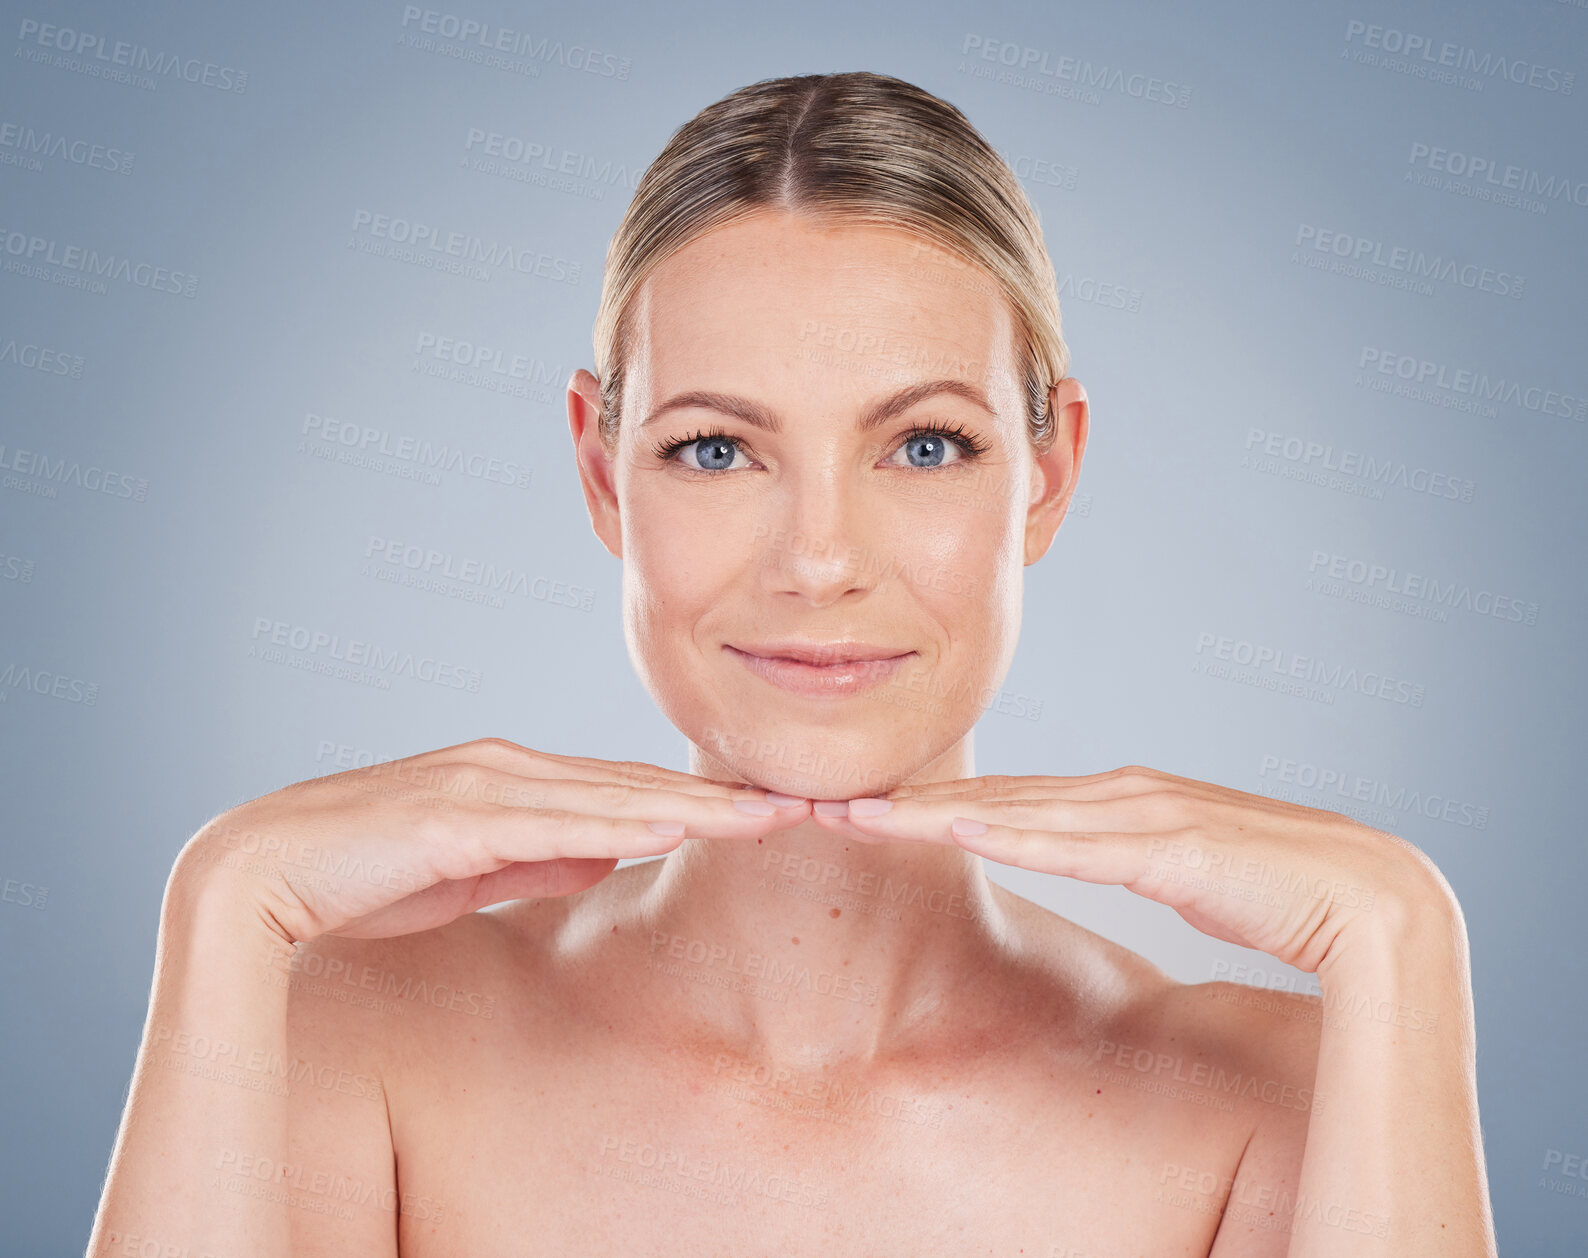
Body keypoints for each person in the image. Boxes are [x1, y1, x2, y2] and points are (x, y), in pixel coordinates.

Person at [88, 72, 1495, 1257]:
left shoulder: (1273, 1100)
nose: (820, 557)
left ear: (1050, 471)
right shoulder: (342, 1036)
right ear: (599, 468)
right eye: (717, 448)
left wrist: (1402, 940)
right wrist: (225, 902)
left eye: (924, 444)